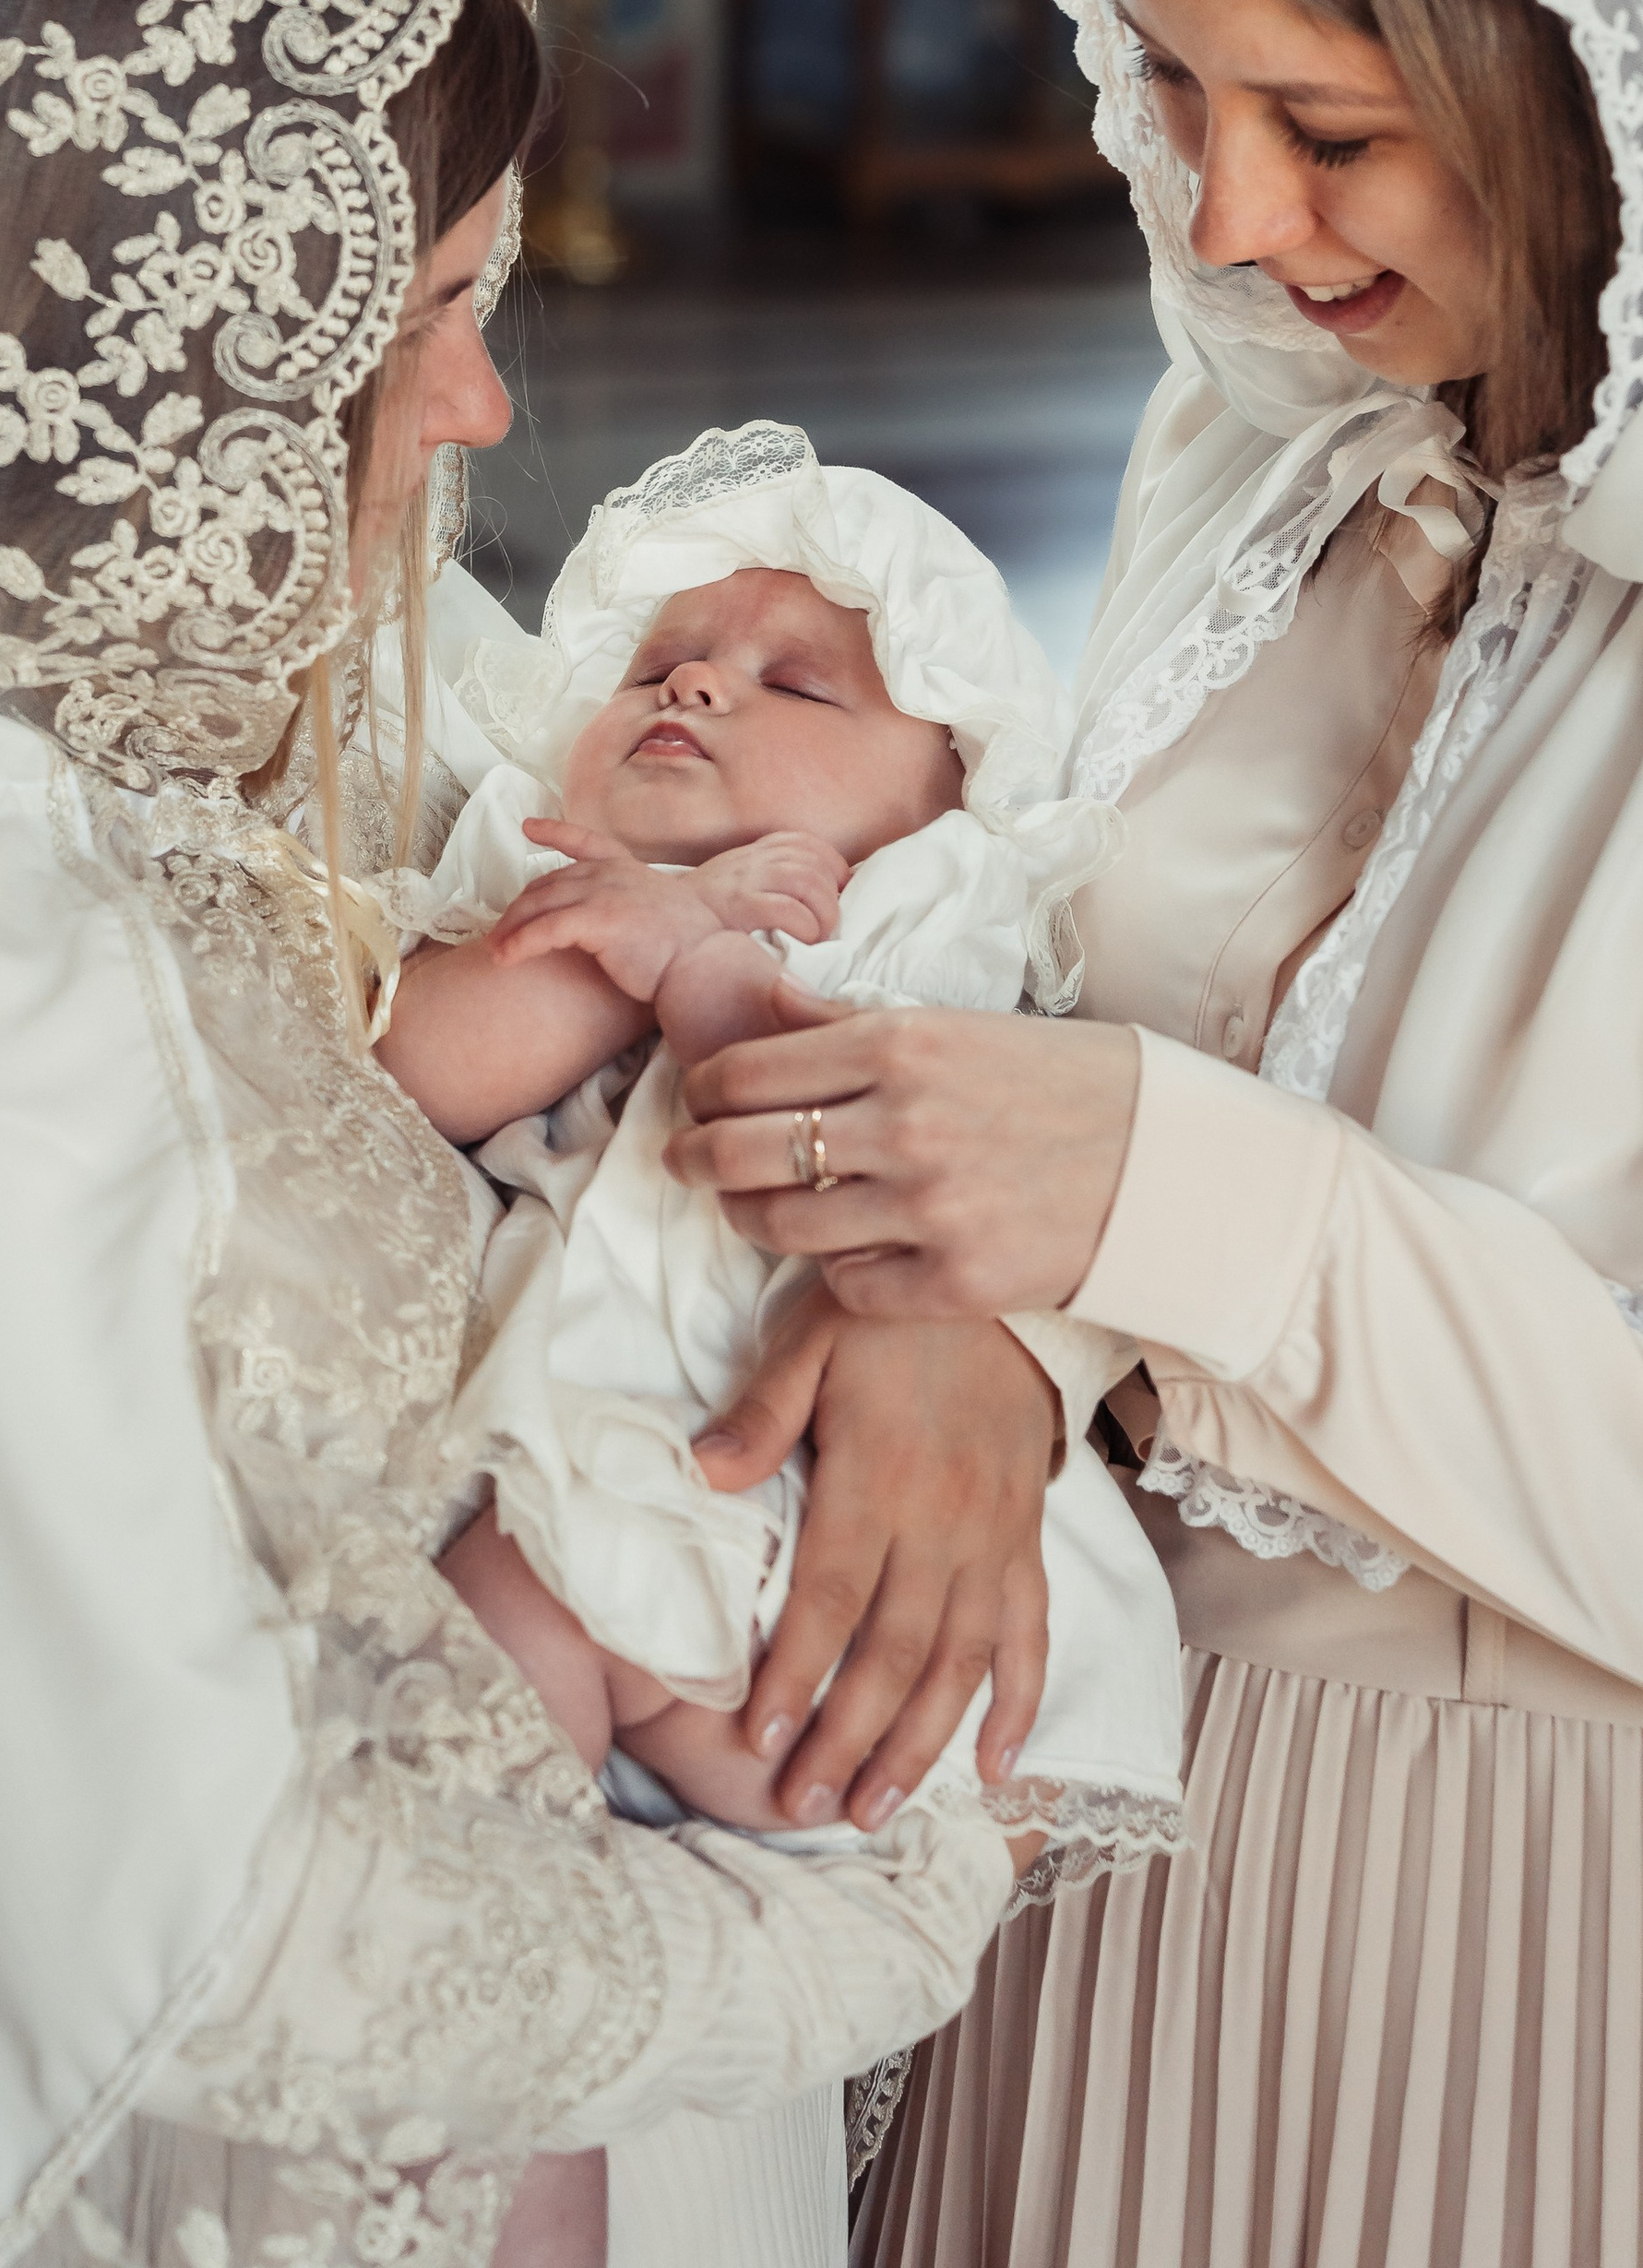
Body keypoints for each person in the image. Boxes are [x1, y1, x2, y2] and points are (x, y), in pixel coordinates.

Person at [0, 0, 1051, 2268]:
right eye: (447, 310)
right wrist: (901, 1906)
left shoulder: (288, 692)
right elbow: (199, 1929)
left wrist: (938, 1316)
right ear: (185, 339)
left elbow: (936, 934)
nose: (484, 415)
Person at [667, 0, 1643, 2267]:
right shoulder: (1261, 425)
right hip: (1093, 1896)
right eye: (1171, 88)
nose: (1229, 222)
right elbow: (1044, 1000)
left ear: (1600, 72)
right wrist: (982, 1315)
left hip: (1590, 1983)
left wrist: (1156, 1208)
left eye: (1335, 126)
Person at [379, 426, 1182, 1871]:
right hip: (637, 1480)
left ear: (946, 802)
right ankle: (530, 2020)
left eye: (798, 683)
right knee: (492, 1627)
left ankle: (525, 1997)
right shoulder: (542, 856)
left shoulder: (912, 934)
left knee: (517, 1618)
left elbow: (830, 1149)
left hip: (821, 1533)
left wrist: (705, 959)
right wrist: (609, 940)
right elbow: (421, 1069)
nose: (692, 681)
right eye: (653, 668)